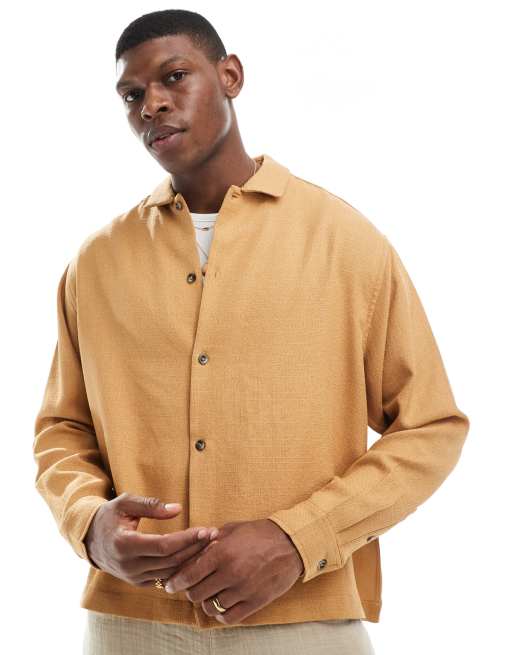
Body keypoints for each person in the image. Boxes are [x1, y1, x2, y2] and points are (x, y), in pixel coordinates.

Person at [33, 9, 470, 655]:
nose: (151, 105)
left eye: (173, 77)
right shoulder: (95, 263)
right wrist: (90, 524)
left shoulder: (345, 242)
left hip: (302, 623)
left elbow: (431, 427)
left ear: (230, 76)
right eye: (131, 94)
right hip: (128, 627)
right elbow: (62, 429)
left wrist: (299, 538)